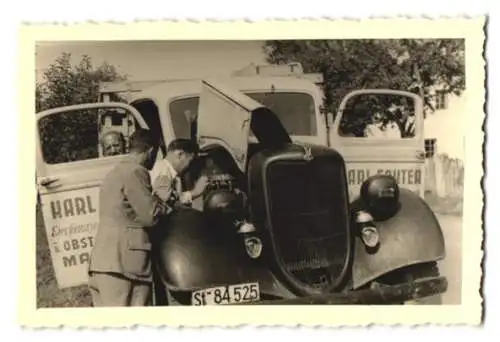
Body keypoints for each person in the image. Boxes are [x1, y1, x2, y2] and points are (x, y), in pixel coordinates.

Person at [88, 128, 173, 307]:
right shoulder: (136, 172)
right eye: (155, 154)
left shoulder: (116, 171)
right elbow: (150, 216)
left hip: (104, 263)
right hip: (125, 265)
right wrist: (166, 205)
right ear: (150, 151)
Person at [150, 138, 209, 207]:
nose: (188, 166)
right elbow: (167, 203)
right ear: (180, 154)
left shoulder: (162, 167)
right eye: (189, 161)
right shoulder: (164, 173)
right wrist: (195, 192)